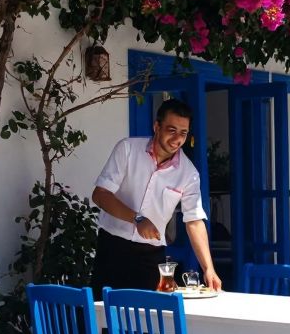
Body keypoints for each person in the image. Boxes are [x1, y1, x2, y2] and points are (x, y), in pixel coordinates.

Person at [90, 99, 221, 297]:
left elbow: (194, 220)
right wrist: (137, 219)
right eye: (171, 130)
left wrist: (208, 268)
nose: (177, 139)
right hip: (113, 247)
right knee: (103, 318)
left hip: (150, 257)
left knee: (147, 323)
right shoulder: (127, 149)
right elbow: (100, 195)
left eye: (183, 133)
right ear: (156, 126)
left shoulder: (189, 173)